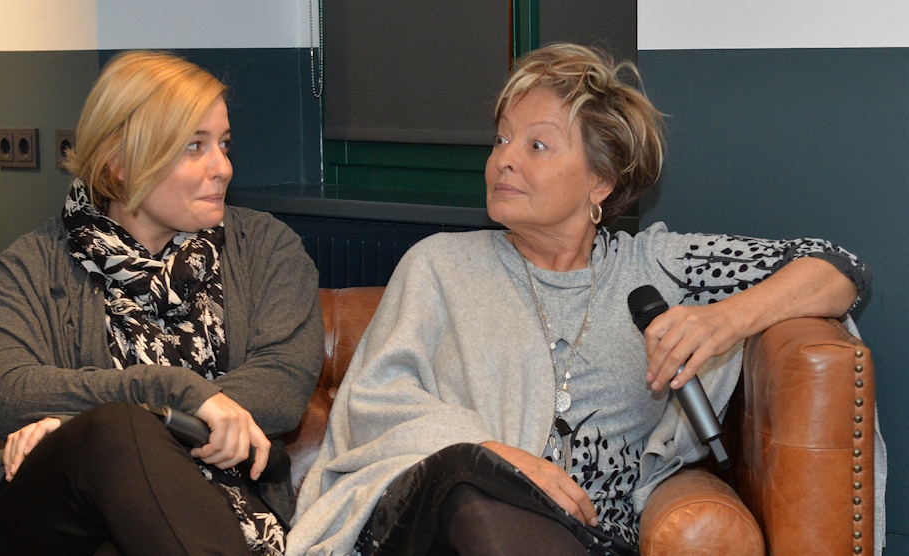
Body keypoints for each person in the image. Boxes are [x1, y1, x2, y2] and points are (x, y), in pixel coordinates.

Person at [287, 43, 871, 556]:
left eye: (537, 145)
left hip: (588, 535)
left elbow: (838, 269)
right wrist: (494, 456)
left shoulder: (655, 267)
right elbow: (375, 399)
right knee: (468, 477)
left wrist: (724, 320)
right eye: (501, 139)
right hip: (436, 524)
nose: (505, 158)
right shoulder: (439, 264)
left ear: (600, 181)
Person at [0, 50, 324, 556]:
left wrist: (70, 421)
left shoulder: (267, 249)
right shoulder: (29, 266)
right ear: (120, 163)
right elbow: (11, 394)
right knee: (114, 432)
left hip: (217, 512)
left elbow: (280, 387)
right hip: (45, 525)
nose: (223, 168)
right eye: (194, 146)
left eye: (223, 144)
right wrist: (174, 394)